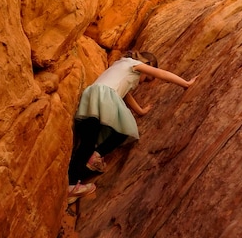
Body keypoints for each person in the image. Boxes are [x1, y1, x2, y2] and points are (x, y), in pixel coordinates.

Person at [67, 50, 196, 201]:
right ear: (147, 65)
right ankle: (96, 156)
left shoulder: (120, 65)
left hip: (92, 98)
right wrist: (186, 84)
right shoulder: (135, 65)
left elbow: (126, 95)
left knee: (87, 143)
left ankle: (71, 184)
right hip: (104, 96)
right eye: (147, 78)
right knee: (124, 129)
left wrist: (140, 111)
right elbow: (162, 74)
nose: (143, 82)